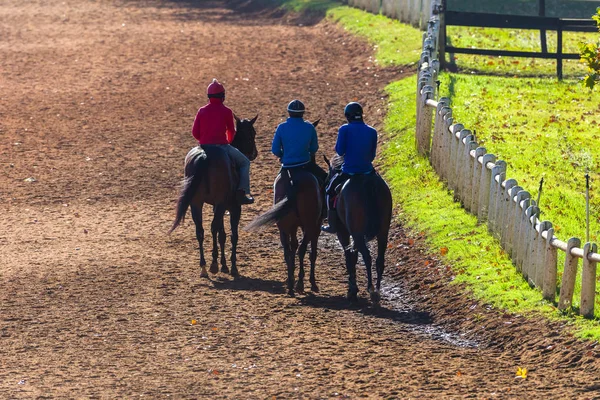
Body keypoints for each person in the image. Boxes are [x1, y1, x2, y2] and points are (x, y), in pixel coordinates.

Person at [192, 79, 254, 205]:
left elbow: (194, 132)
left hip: (203, 146)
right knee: (245, 163)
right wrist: (228, 142)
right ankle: (242, 192)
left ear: (209, 96)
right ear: (223, 96)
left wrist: (203, 140)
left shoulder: (202, 110)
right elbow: (231, 131)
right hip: (221, 146)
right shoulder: (227, 111)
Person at [321, 102, 377, 234]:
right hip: (368, 171)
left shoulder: (344, 129)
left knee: (329, 191)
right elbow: (372, 155)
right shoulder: (372, 131)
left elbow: (339, 152)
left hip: (349, 171)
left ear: (347, 116)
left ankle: (331, 224)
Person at [271, 100, 327, 185]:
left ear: (289, 112)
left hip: (287, 166)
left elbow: (275, 150)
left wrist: (284, 155)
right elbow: (314, 148)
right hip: (305, 164)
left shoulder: (281, 127)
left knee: (277, 185)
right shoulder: (310, 127)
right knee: (326, 180)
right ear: (303, 113)